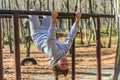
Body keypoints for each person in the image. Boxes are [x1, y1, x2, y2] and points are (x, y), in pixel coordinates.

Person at [28, 10, 81, 76]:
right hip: (47, 30)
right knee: (48, 12)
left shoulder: (54, 54)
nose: (65, 62)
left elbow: (51, 39)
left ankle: (27, 20)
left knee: (32, 12)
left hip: (37, 33)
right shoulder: (65, 51)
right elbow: (71, 37)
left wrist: (54, 20)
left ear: (56, 64)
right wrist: (77, 20)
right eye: (66, 64)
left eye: (62, 64)